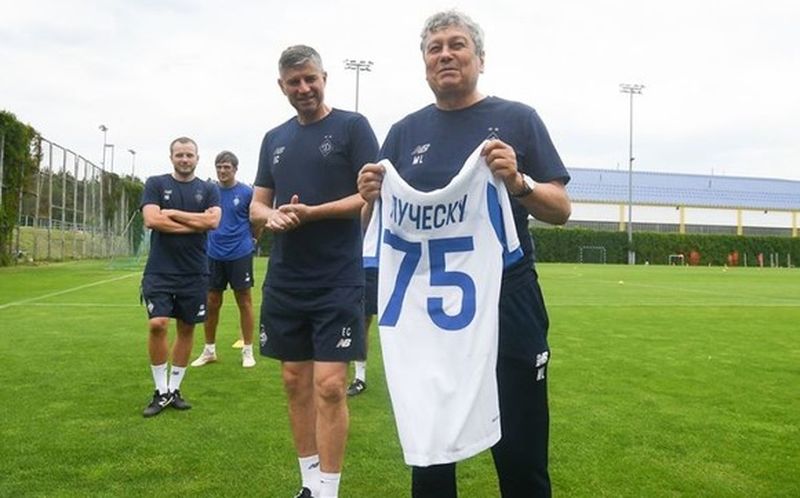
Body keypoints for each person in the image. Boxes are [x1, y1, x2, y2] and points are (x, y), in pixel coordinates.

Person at [357, 10, 571, 498]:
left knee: (522, 453)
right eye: (435, 48)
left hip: (506, 300)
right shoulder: (404, 133)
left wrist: (519, 182)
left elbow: (560, 208)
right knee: (431, 455)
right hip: (430, 316)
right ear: (424, 64)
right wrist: (369, 199)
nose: (446, 55)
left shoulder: (518, 119)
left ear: (480, 58)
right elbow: (375, 230)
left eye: (457, 45)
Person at [250, 45, 379, 498]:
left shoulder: (353, 127)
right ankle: (309, 484)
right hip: (286, 278)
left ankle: (329, 488)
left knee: (330, 386)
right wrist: (272, 216)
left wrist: (311, 213)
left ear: (324, 78)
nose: (303, 88)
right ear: (281, 86)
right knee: (293, 381)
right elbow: (257, 204)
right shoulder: (274, 138)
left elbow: (369, 195)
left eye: (310, 79)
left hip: (338, 276)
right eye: (294, 82)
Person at [140, 137, 221, 417]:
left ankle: (173, 390)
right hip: (160, 269)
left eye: (189, 155)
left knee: (187, 328)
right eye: (179, 155)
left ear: (197, 158)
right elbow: (152, 220)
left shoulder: (209, 189)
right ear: (171, 157)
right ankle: (160, 390)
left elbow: (213, 221)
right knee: (158, 324)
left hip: (194, 270)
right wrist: (195, 223)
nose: (184, 159)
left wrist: (173, 214)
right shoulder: (155, 183)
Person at [191, 150, 259, 369]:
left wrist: (253, 240)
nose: (222, 171)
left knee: (244, 300)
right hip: (213, 253)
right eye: (219, 166)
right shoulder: (209, 192)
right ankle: (209, 350)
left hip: (240, 253)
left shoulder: (246, 192)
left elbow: (257, 220)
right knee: (211, 302)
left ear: (235, 169)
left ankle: (247, 351)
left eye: (226, 167)